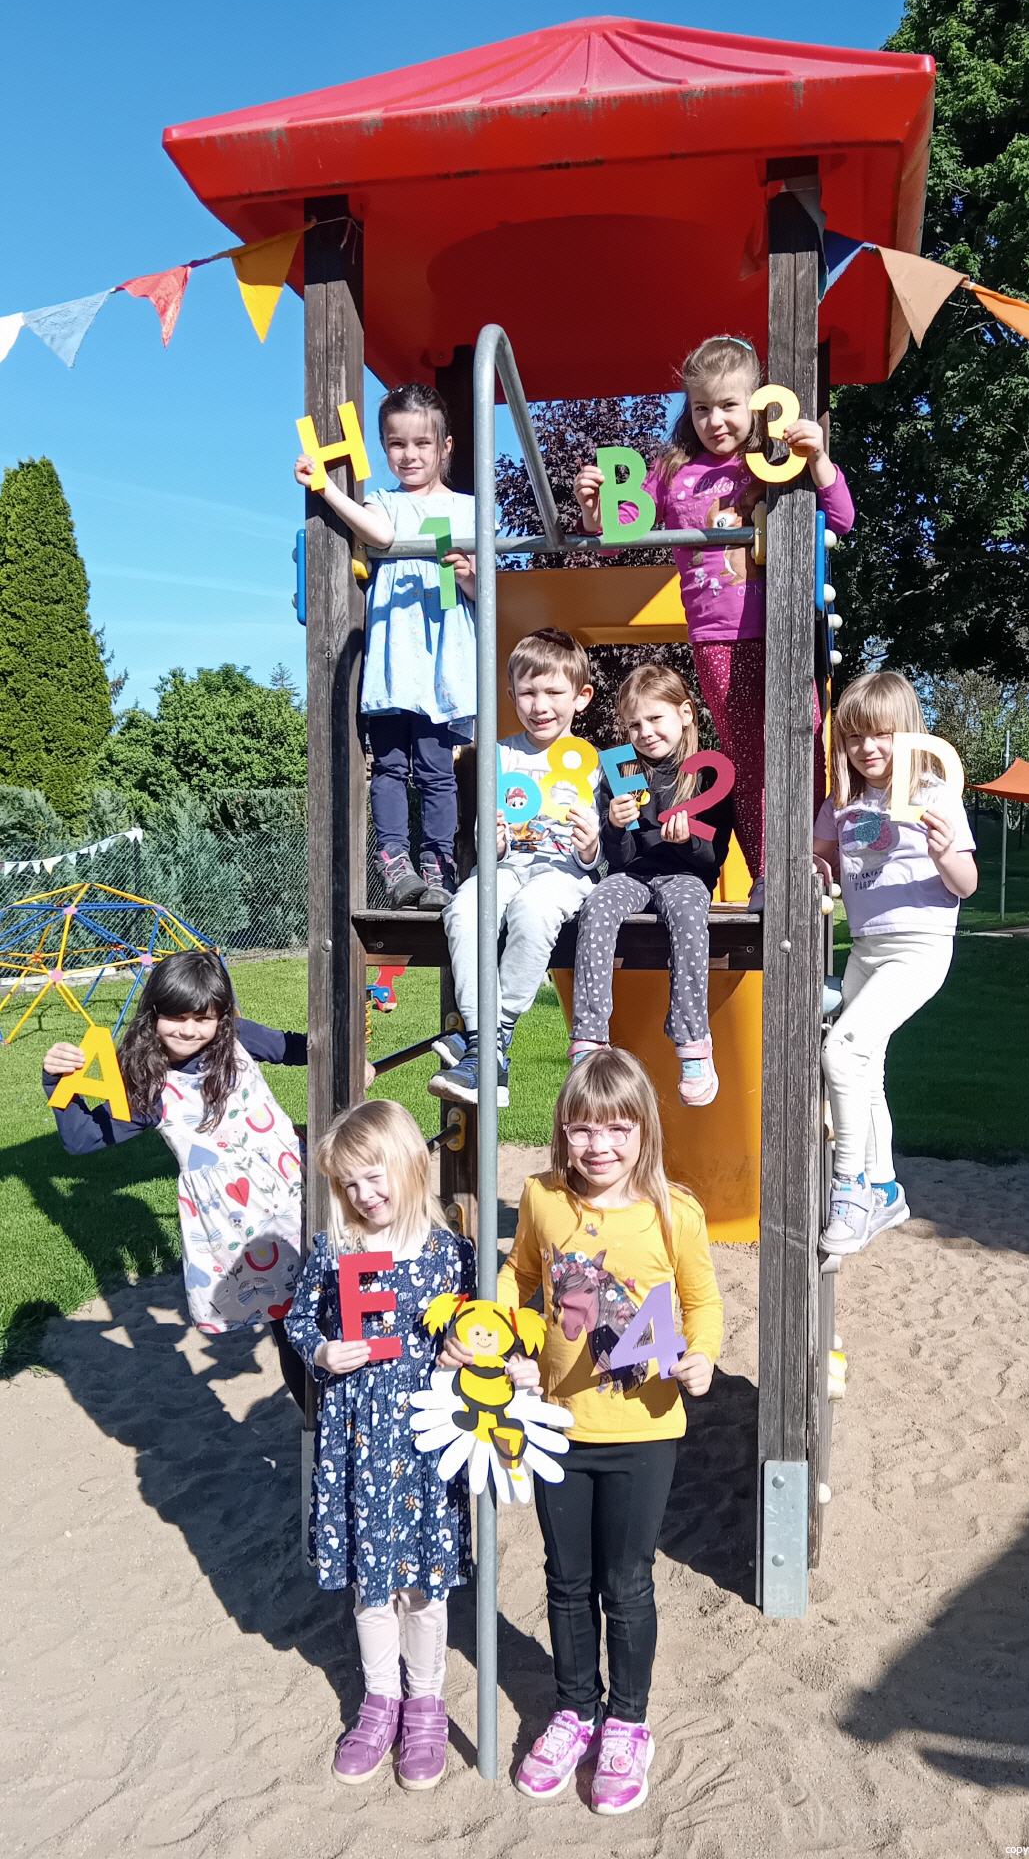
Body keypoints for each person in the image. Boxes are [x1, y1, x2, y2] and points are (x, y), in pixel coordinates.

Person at [445, 1049, 723, 1815]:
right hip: (556, 1426)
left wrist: (701, 1356)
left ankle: (627, 1723)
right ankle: (575, 1711)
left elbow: (700, 1302)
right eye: (581, 1129)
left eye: (615, 1129)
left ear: (644, 1132)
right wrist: (499, 1330)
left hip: (644, 1430)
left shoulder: (675, 1211)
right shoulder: (542, 1198)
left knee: (624, 1582)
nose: (598, 1146)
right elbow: (522, 1275)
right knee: (566, 1581)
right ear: (562, 1132)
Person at [574, 333, 855, 906]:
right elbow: (615, 535)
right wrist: (593, 510)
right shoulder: (674, 471)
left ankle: (813, 864)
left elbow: (842, 518)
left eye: (728, 405)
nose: (714, 420)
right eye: (701, 407)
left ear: (756, 402)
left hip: (784, 630)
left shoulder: (775, 463)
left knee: (803, 744)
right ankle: (768, 874)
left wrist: (820, 460)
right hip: (717, 638)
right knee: (747, 759)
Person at [285, 1100, 511, 1790]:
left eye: (373, 1176)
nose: (363, 1194)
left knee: (422, 1581)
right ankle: (380, 1699)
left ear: (411, 1165)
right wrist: (322, 1351)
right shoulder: (335, 1250)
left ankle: (425, 1702)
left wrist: (468, 1357)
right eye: (348, 1183)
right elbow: (298, 1320)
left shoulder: (453, 1256)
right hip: (357, 1441)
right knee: (371, 1582)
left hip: (424, 1442)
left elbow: (489, 1331)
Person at [42, 950, 309, 1404]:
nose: (189, 1029)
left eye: (203, 1018)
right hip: (239, 1225)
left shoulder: (239, 1041)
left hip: (300, 1196)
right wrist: (56, 1082)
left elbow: (298, 1047)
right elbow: (83, 1139)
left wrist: (351, 1061)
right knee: (291, 1326)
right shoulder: (149, 1085)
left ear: (221, 1017)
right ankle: (314, 1424)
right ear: (154, 1014)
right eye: (176, 1017)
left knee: (331, 1304)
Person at [295, 382, 476, 911]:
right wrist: (326, 489)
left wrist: (467, 575)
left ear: (445, 447)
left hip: (441, 664)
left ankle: (438, 864)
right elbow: (380, 534)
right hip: (395, 663)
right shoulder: (383, 503)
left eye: (422, 443)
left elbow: (486, 591)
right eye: (397, 444)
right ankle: (395, 861)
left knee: (437, 770)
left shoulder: (468, 510)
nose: (409, 454)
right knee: (391, 765)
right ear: (383, 447)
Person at [813, 671, 977, 1256]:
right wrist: (817, 869)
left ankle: (850, 1187)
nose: (867, 748)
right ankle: (884, 1189)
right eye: (854, 737)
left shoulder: (933, 793)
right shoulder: (843, 802)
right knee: (864, 1068)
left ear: (907, 734)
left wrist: (944, 853)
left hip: (919, 947)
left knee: (842, 1052)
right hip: (866, 949)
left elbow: (966, 883)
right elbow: (819, 860)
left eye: (880, 735)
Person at [431, 627, 602, 1109]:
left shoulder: (595, 763)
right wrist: (496, 843)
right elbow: (487, 837)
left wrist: (591, 847)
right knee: (465, 908)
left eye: (553, 692)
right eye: (527, 693)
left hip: (564, 873)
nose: (539, 705)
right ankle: (485, 1043)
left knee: (533, 910)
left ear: (581, 697)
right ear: (511, 696)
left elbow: (608, 850)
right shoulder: (500, 754)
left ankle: (490, 1037)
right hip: (508, 867)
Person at [569, 663, 734, 1105]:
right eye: (634, 724)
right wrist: (614, 825)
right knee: (598, 903)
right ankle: (589, 1037)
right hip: (634, 875)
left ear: (685, 713)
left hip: (687, 876)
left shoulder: (707, 773)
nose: (645, 732)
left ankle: (693, 1041)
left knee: (688, 912)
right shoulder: (622, 770)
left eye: (655, 718)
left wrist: (686, 841)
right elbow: (620, 860)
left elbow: (712, 860)